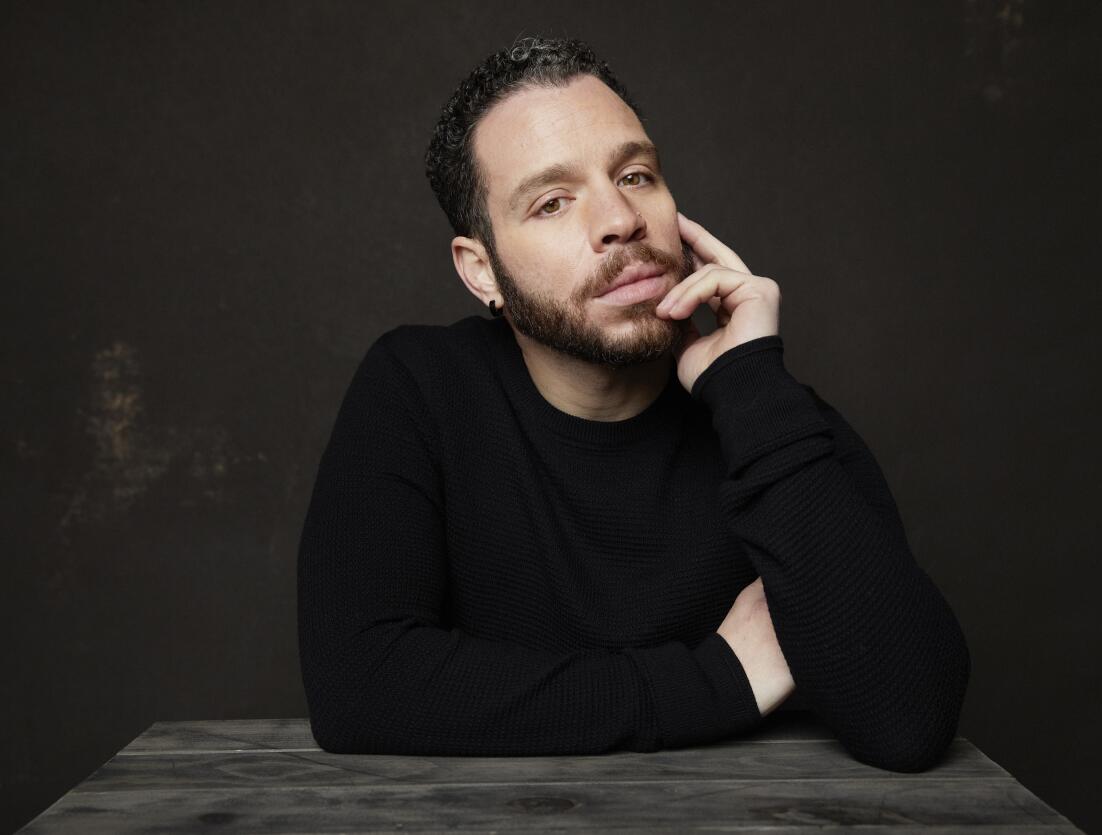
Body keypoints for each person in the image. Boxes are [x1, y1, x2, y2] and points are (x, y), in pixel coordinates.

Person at [296, 35, 970, 772]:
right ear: (481, 270)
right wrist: (719, 677)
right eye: (553, 202)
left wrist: (749, 384)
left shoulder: (769, 417)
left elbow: (910, 719)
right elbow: (359, 684)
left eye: (637, 174)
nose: (620, 218)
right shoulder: (419, 388)